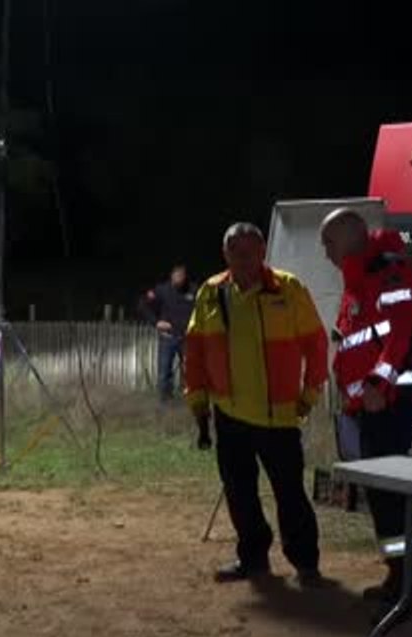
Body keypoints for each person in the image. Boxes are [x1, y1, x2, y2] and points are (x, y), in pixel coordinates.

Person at [184, 222, 330, 587]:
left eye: (249, 252)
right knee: (239, 493)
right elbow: (195, 352)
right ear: (226, 254)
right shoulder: (210, 294)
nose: (243, 260)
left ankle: (306, 563)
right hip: (229, 415)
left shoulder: (288, 289)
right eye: (236, 252)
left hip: (279, 417)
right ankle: (253, 560)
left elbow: (316, 345)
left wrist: (309, 395)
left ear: (263, 251)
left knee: (290, 494)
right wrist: (199, 403)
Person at [320, 208, 412, 618]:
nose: (325, 252)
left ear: (351, 236)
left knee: (388, 493)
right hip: (368, 405)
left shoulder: (387, 269)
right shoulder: (356, 279)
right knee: (380, 494)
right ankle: (401, 575)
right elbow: (354, 339)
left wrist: (377, 384)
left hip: (390, 402)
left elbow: (405, 331)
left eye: (328, 242)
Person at [138, 264, 196, 402]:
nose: (179, 279)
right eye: (177, 276)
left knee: (191, 371)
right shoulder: (162, 290)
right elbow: (143, 304)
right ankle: (165, 402)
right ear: (172, 276)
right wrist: (156, 322)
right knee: (164, 373)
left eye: (182, 277)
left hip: (187, 338)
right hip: (168, 337)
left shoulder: (193, 290)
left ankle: (191, 400)